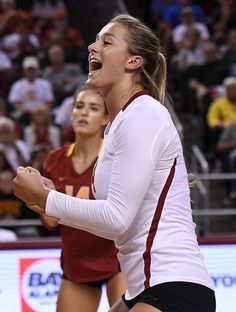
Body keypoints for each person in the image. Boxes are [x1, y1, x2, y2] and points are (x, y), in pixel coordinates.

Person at [13, 14, 216, 312]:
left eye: (106, 41)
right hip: (144, 287)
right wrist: (45, 204)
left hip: (173, 284)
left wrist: (47, 198)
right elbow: (117, 229)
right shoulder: (121, 125)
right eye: (95, 40)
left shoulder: (144, 114)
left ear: (133, 62)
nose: (92, 47)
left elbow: (116, 217)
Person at [40, 86, 125, 311]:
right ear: (71, 114)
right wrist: (38, 200)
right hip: (77, 264)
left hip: (119, 261)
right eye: (79, 107)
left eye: (93, 108)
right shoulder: (54, 160)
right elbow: (49, 221)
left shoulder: (116, 159)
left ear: (106, 118)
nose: (84, 113)